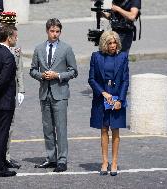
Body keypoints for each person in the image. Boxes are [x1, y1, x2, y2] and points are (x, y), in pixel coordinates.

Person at [30, 18, 78, 172]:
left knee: (61, 128)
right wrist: (42, 76)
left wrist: (57, 75)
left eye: (57, 31)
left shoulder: (66, 49)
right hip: (44, 93)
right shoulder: (38, 49)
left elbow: (74, 71)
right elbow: (32, 70)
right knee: (47, 128)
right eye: (52, 31)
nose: (55, 34)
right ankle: (51, 158)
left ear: (60, 32)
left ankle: (62, 160)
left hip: (60, 94)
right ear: (47, 31)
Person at [0, 12, 24, 169]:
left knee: (9, 127)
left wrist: (21, 89)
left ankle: (5, 156)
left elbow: (19, 67)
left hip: (9, 92)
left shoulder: (14, 42)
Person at [88, 31, 129, 176]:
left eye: (115, 42)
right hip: (102, 99)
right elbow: (92, 79)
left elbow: (125, 80)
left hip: (117, 98)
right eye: (110, 43)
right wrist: (103, 93)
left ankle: (115, 162)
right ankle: (105, 161)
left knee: (116, 130)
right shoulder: (96, 57)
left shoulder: (123, 57)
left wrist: (120, 100)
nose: (113, 45)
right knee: (104, 130)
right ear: (105, 44)